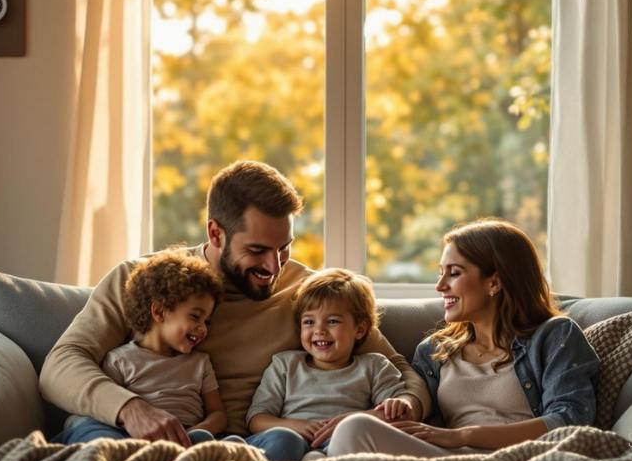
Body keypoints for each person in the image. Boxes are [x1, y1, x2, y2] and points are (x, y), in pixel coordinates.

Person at [40, 160, 430, 446]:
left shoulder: (312, 295)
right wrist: (131, 409)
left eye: (284, 248)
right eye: (258, 250)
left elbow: (398, 368)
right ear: (215, 233)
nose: (274, 266)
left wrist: (405, 405)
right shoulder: (142, 280)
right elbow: (61, 365)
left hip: (249, 448)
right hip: (134, 436)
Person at [325, 218, 600, 457]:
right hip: (448, 460)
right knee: (354, 429)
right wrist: (381, 412)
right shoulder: (434, 350)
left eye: (454, 273)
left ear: (494, 282)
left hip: (521, 459)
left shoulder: (554, 335)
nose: (440, 286)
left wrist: (465, 436)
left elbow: (570, 421)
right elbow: (415, 406)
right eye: (440, 272)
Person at [58, 252, 235, 445]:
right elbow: (105, 412)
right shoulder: (119, 360)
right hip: (136, 439)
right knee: (88, 428)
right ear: (159, 311)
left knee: (241, 441)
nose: (203, 329)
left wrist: (196, 432)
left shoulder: (200, 363)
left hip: (188, 439)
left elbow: (218, 414)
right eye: (195, 316)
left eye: (206, 321)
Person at [244, 269, 414, 461]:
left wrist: (398, 404)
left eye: (332, 321)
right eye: (309, 322)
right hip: (289, 439)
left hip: (339, 444)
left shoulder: (375, 365)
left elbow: (396, 415)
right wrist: (295, 426)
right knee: (285, 439)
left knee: (352, 443)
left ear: (359, 329)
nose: (319, 330)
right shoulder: (285, 364)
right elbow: (256, 419)